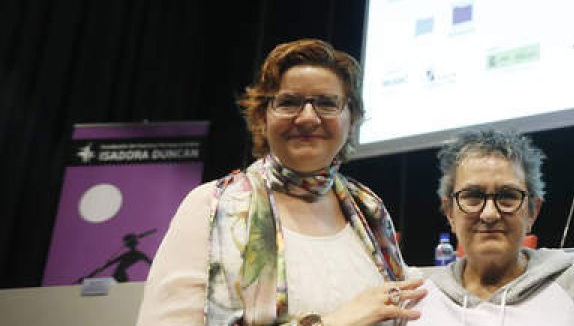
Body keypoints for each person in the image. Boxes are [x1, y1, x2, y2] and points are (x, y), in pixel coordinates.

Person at [137, 39, 425, 326]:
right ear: (263, 117)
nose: (308, 118)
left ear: (352, 119)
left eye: (327, 103)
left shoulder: (370, 210)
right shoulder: (210, 206)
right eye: (289, 103)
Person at [413, 129, 574, 325]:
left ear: (533, 212)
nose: (489, 214)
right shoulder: (419, 303)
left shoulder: (573, 290)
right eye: (473, 196)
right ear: (450, 212)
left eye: (507, 196)